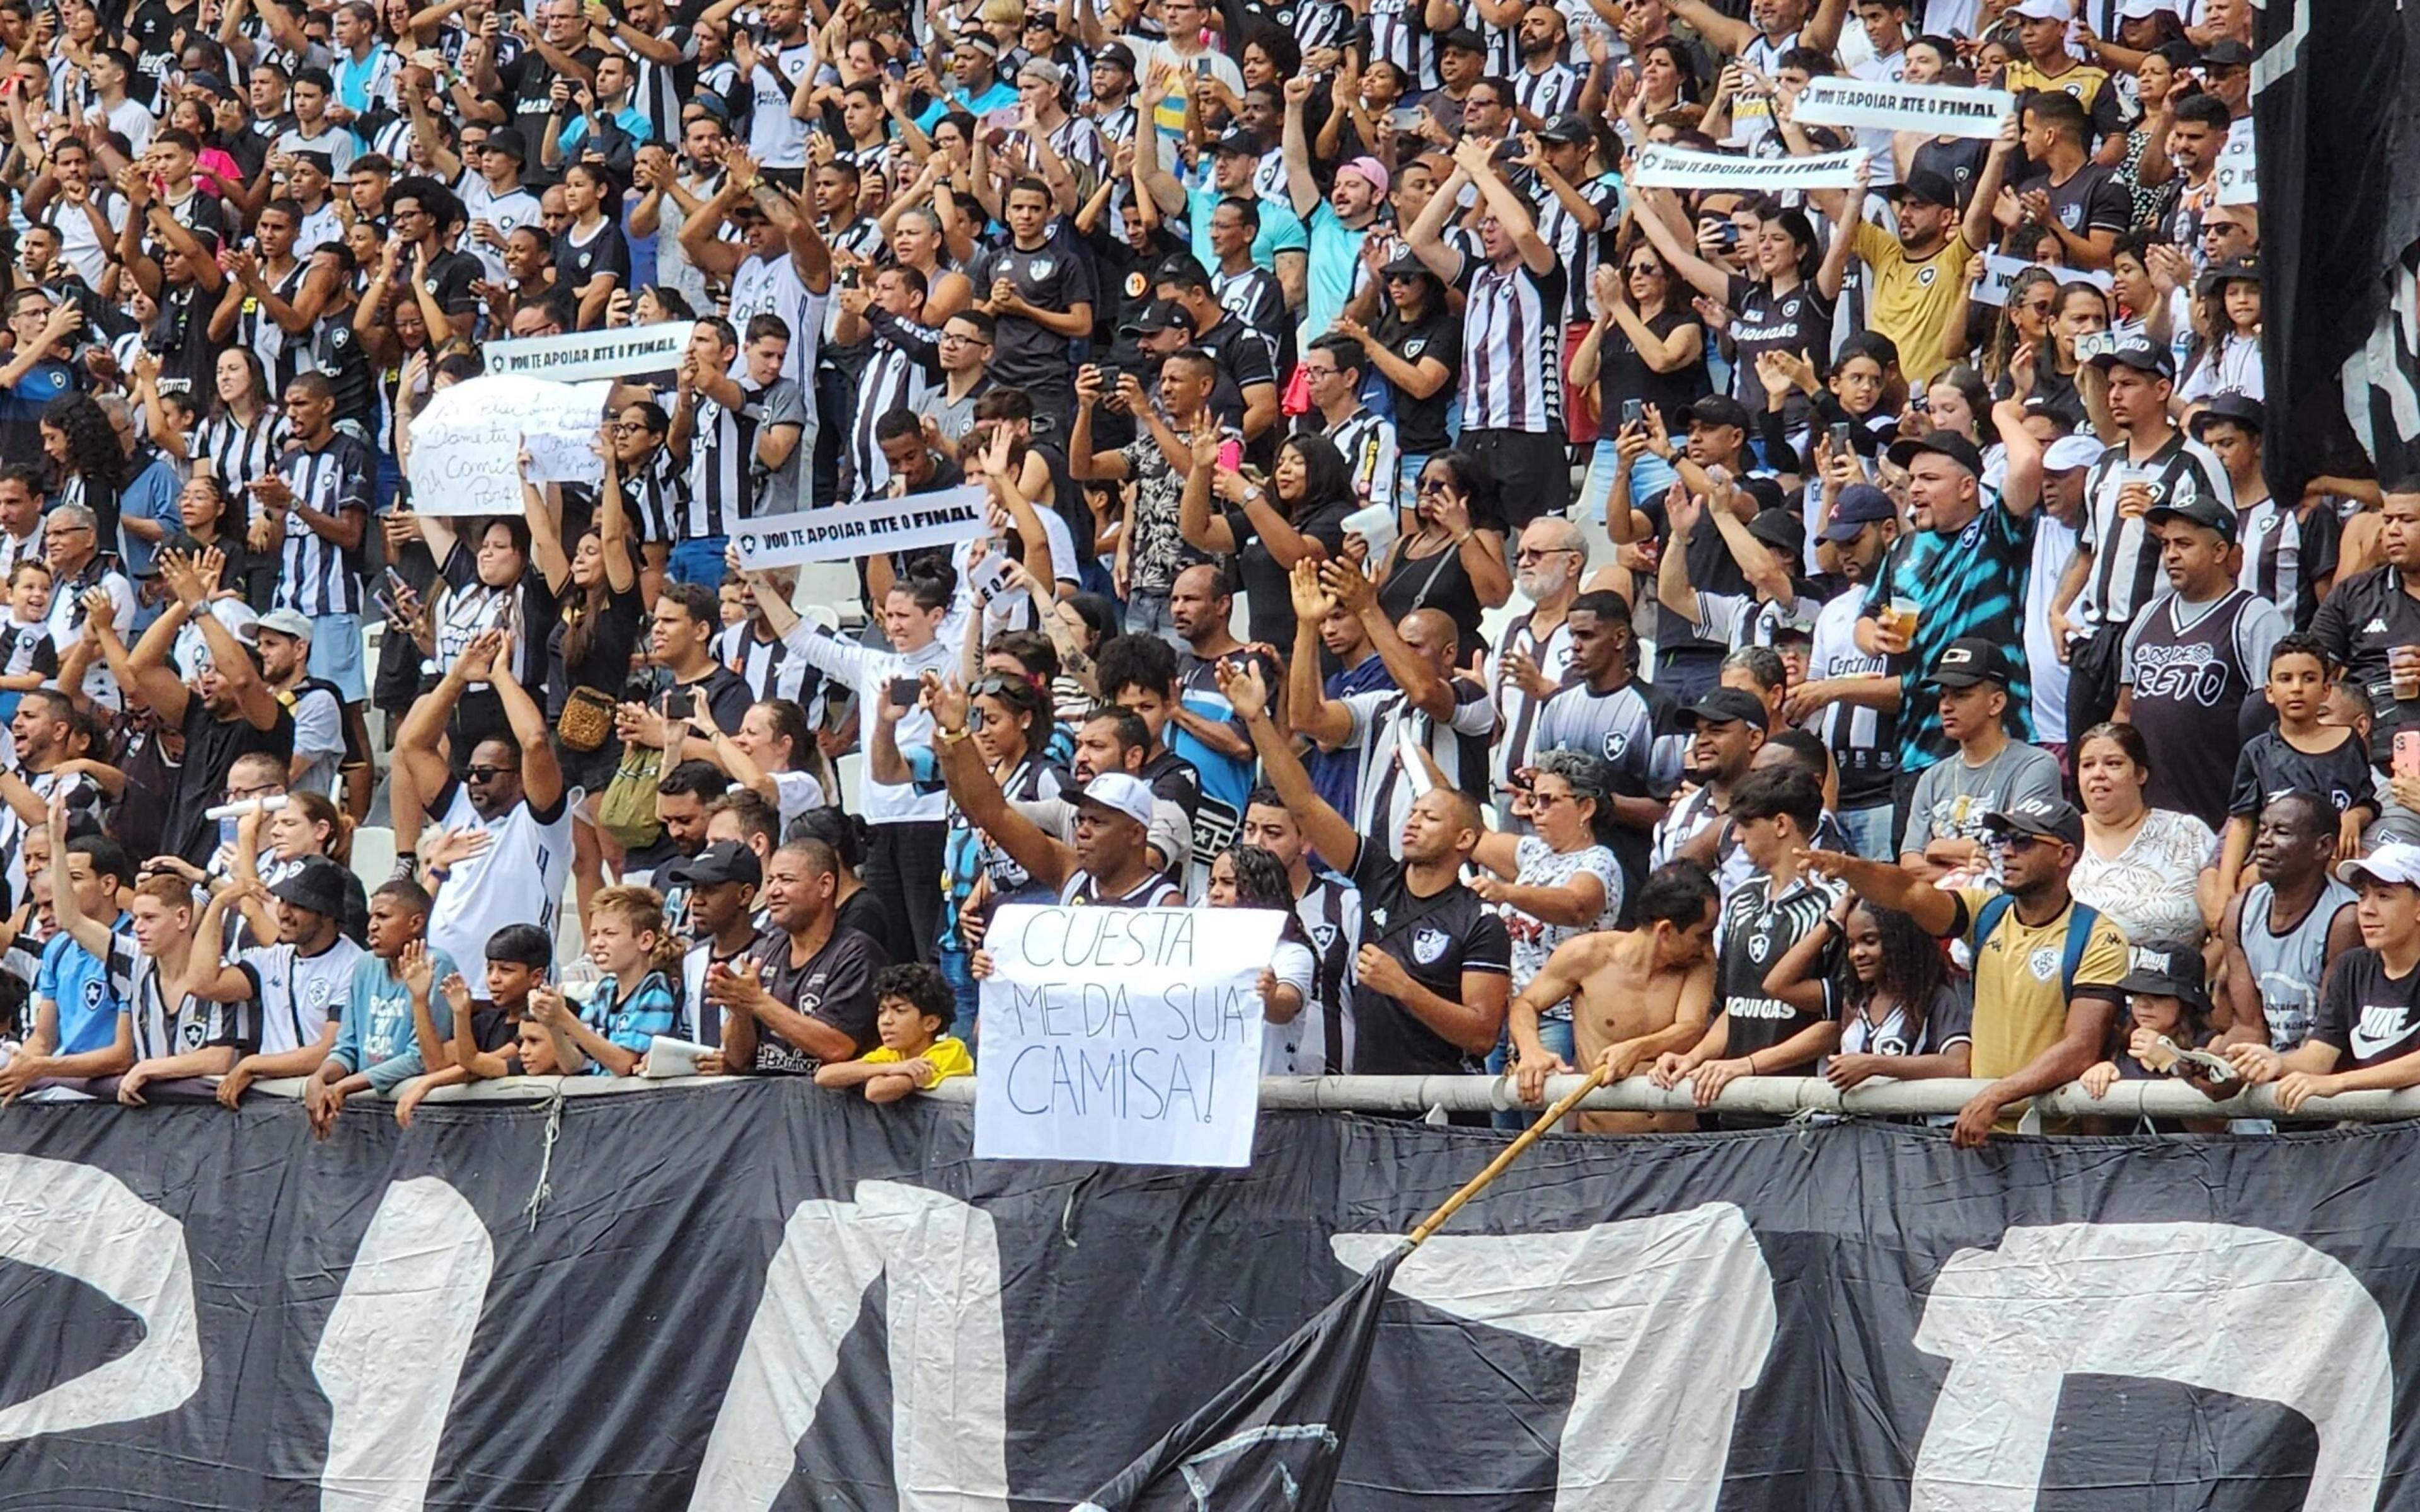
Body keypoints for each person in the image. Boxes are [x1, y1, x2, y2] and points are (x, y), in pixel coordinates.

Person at [1231, 658, 1510, 1088]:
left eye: (1431, 818)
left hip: (1443, 1112)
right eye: (1413, 812)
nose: (1413, 822)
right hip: (1369, 1103)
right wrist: (1257, 721)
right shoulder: (1380, 876)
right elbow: (1305, 803)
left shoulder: (1480, 920)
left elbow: (1483, 1034)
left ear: (1465, 841)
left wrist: (1404, 988)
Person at [1811, 796, 2131, 1147]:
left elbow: (2081, 1047)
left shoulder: (2098, 936)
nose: (2007, 851)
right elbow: (1909, 892)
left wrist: (1996, 1095)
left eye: (2023, 841)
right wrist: (1849, 867)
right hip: (1979, 1128)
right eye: (2002, 839)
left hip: (2051, 1136)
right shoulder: (1987, 913)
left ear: (2065, 855)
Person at [1650, 766, 1848, 1112]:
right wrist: (1693, 1058)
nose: (1737, 837)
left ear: (1782, 825)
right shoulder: (1740, 898)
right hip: (1735, 1101)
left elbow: (1839, 1021)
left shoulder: (1838, 903)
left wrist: (1750, 1066)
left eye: (1746, 824)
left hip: (1804, 1110)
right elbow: (1737, 1005)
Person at [393, 628, 571, 971]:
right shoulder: (459, 806)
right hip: (444, 983)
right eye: (471, 771)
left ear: (519, 779)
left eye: (486, 773)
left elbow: (535, 742)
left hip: (516, 987)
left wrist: (500, 676)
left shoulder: (542, 824)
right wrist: (457, 678)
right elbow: (413, 745)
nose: (474, 780)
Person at [1505, 860, 1720, 1134]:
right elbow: (1526, 1003)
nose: (1707, 947)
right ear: (1665, 931)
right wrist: (1531, 1050)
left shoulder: (1699, 962)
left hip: (1679, 1139)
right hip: (1605, 1143)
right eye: (1702, 936)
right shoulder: (1587, 955)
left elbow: (1692, 1028)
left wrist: (1637, 1048)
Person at [2115, 487, 2284, 829]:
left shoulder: (2253, 615)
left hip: (2220, 809)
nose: (2171, 555)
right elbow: (2125, 710)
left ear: (2220, 551)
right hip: (2147, 812)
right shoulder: (2148, 615)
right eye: (2166, 545)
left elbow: (2272, 721)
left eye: (2184, 544)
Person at [2227, 844, 2420, 1111]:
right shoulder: (2352, 967)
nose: (2366, 909)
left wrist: (2338, 1083)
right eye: (2363, 896)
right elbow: (2320, 1055)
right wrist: (2278, 1062)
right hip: (2372, 1136)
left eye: (2384, 896)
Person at [710, 837, 889, 1075]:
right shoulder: (763, 951)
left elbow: (837, 1048)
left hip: (832, 1106)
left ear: (825, 886)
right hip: (770, 1103)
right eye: (771, 880)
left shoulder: (856, 954)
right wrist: (740, 1011)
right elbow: (738, 1058)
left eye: (786, 880)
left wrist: (758, 1001)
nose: (773, 891)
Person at [198, 855, 366, 1106]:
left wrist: (251, 1065)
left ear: (328, 914)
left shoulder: (355, 965)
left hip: (325, 1103)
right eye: (283, 900)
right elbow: (203, 984)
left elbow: (329, 1052)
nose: (284, 913)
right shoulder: (273, 957)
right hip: (270, 1102)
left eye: (298, 904)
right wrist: (217, 906)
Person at [1896, 639, 2063, 887]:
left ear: (1996, 703)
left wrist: (1937, 848)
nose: (1946, 707)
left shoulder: (2035, 765)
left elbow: (2016, 856)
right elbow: (1910, 866)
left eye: (1961, 695)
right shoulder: (1932, 777)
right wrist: (1961, 861)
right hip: (1938, 912)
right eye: (1943, 696)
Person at [1763, 892, 1971, 1089]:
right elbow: (1777, 986)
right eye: (1851, 944)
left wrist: (1874, 1065)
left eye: (1870, 941)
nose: (1857, 953)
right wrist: (1831, 923)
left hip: (1905, 1126)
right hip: (1851, 1124)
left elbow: (1958, 1065)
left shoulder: (1935, 998)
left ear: (1899, 940)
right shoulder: (1853, 998)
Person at [303, 879, 459, 1138]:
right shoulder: (364, 964)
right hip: (365, 1115)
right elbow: (347, 1047)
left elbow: (420, 1057)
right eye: (371, 917)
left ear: (416, 923)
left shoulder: (437, 964)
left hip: (416, 1116)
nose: (372, 926)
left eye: (383, 917)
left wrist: (345, 1087)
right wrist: (319, 1078)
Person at [2220, 791, 2361, 1054]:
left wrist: (2274, 1067)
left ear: (2323, 847)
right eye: (2262, 830)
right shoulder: (2240, 910)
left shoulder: (2344, 920)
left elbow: (2329, 1037)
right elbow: (2249, 1028)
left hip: (2321, 1069)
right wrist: (2213, 1066)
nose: (2264, 841)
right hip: (2268, 1062)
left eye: (2281, 832)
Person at [0, 832, 134, 1102]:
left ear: (107, 885)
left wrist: (41, 1067)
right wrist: (17, 1071)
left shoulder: (133, 948)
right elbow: (43, 1040)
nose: (63, 889)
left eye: (74, 878)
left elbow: (122, 1056)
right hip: (63, 1083)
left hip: (115, 1093)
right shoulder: (58, 948)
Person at [2070, 721, 2219, 948]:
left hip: (2178, 980)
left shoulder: (2188, 833)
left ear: (2140, 774)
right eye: (2088, 765)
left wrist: (2202, 973)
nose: (2098, 774)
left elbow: (2228, 924)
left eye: (2113, 764)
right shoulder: (2060, 838)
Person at [538, 884, 680, 1076]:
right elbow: (573, 1065)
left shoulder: (654, 988)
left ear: (645, 940)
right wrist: (553, 1024)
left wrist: (565, 1017)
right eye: (594, 934)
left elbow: (624, 1064)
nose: (597, 943)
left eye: (610, 934)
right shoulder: (605, 989)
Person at [813, 961, 974, 1101]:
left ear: (931, 1022)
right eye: (882, 1011)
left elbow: (876, 1091)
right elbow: (823, 1076)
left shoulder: (950, 1051)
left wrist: (884, 1070)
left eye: (900, 1011)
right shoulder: (892, 1055)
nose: (886, 1021)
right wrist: (891, 1068)